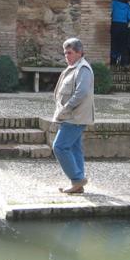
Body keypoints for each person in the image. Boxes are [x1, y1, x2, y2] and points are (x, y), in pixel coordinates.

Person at [52, 37, 95, 194]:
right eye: (65, 53)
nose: (66, 56)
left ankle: (77, 179)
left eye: (69, 53)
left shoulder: (83, 69)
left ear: (79, 52)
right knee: (75, 148)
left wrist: (66, 108)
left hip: (74, 116)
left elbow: (81, 93)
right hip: (72, 116)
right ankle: (78, 183)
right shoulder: (74, 67)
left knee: (59, 147)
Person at [110, 0, 130, 66]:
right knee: (122, 44)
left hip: (115, 24)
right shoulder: (127, 6)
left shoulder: (114, 3)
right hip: (124, 26)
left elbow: (109, 12)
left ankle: (113, 60)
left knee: (114, 42)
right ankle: (122, 61)